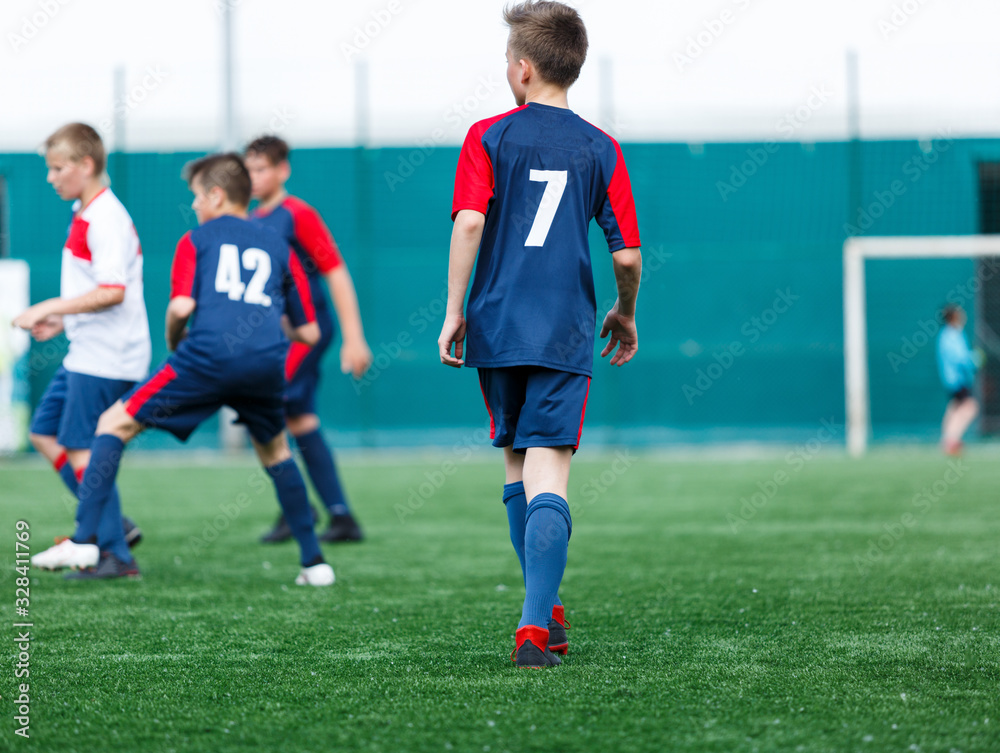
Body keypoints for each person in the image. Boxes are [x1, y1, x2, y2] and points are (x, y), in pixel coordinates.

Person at [437, 0, 642, 668]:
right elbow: (628, 255)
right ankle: (534, 625)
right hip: (563, 331)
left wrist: (453, 309)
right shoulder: (600, 147)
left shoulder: (488, 135)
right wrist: (626, 309)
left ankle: (544, 609)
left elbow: (469, 223)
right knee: (550, 470)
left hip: (497, 326)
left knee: (518, 469)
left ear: (522, 69)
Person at [37, 153, 334, 585]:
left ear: (215, 195)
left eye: (196, 196)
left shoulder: (196, 240)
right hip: (264, 365)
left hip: (205, 357)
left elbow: (181, 306)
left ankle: (85, 539)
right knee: (277, 454)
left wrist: (177, 342)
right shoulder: (277, 244)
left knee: (111, 425)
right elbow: (307, 330)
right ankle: (315, 564)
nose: (193, 205)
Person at [17, 123, 149, 571]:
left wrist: (50, 305)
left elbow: (113, 290)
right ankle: (112, 526)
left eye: (58, 168)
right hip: (88, 351)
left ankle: (111, 550)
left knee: (82, 448)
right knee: (44, 432)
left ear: (86, 165)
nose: (50, 178)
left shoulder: (104, 218)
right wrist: (62, 319)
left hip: (107, 357)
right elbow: (98, 289)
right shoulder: (85, 210)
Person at [244, 136, 372, 544]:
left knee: (263, 408)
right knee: (297, 419)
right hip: (276, 339)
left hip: (307, 332)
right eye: (248, 170)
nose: (253, 177)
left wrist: (354, 339)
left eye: (261, 168)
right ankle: (337, 515)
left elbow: (335, 271)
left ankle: (300, 508)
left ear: (283, 170)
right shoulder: (251, 220)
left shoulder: (297, 214)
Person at [937, 305, 979, 455]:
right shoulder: (952, 334)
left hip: (954, 379)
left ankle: (947, 440)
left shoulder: (948, 334)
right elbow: (959, 358)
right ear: (954, 316)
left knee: (954, 408)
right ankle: (952, 440)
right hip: (957, 379)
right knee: (970, 407)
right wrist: (974, 360)